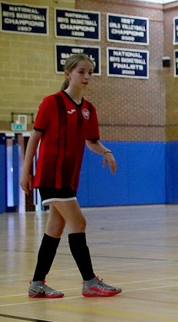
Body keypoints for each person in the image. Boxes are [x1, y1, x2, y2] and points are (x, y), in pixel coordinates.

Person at [20, 53, 122, 299]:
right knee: (79, 223)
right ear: (68, 74)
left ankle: (37, 284)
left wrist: (106, 152)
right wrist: (26, 170)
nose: (87, 77)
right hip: (50, 175)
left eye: (90, 72)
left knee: (55, 229)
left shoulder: (89, 109)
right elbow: (35, 137)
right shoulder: (52, 102)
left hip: (69, 177)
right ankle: (89, 281)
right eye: (81, 72)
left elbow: (92, 141)